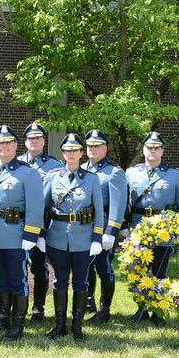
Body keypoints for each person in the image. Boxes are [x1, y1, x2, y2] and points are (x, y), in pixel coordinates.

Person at [0, 125, 44, 341]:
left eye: (8, 143)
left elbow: (36, 206)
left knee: (18, 280)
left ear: (16, 146)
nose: (4, 146)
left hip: (17, 235)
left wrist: (31, 235)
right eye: (0, 143)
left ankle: (17, 324)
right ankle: (2, 318)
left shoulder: (28, 172)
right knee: (0, 278)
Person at [42, 133, 104, 342]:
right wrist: (41, 234)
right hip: (57, 237)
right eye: (67, 150)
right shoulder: (53, 177)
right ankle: (60, 325)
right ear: (63, 153)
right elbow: (43, 208)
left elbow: (99, 211)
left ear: (81, 153)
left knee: (80, 282)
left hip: (83, 238)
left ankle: (77, 326)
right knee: (59, 281)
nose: (71, 154)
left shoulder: (91, 179)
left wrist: (97, 238)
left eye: (75, 150)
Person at [125, 131, 179, 327]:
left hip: (164, 230)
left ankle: (159, 311)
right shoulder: (132, 173)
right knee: (139, 271)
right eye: (149, 147)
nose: (152, 151)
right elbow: (124, 203)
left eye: (156, 148)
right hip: (139, 228)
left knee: (160, 272)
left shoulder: (175, 175)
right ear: (143, 150)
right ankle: (142, 308)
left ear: (162, 150)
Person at [16, 122, 62, 323]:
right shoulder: (16, 162)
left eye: (38, 138)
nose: (34, 141)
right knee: (18, 267)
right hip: (17, 224)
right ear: (25, 141)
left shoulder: (55, 166)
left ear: (44, 141)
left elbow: (55, 200)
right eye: (30, 138)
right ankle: (19, 307)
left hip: (42, 225)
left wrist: (42, 231)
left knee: (40, 268)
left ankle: (38, 308)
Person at [81, 129, 128, 324]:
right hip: (84, 226)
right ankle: (88, 303)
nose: (92, 148)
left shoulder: (113, 172)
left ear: (105, 148)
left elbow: (119, 204)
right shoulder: (81, 167)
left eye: (97, 145)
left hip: (104, 228)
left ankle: (104, 309)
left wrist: (111, 232)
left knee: (103, 267)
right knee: (86, 267)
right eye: (90, 145)